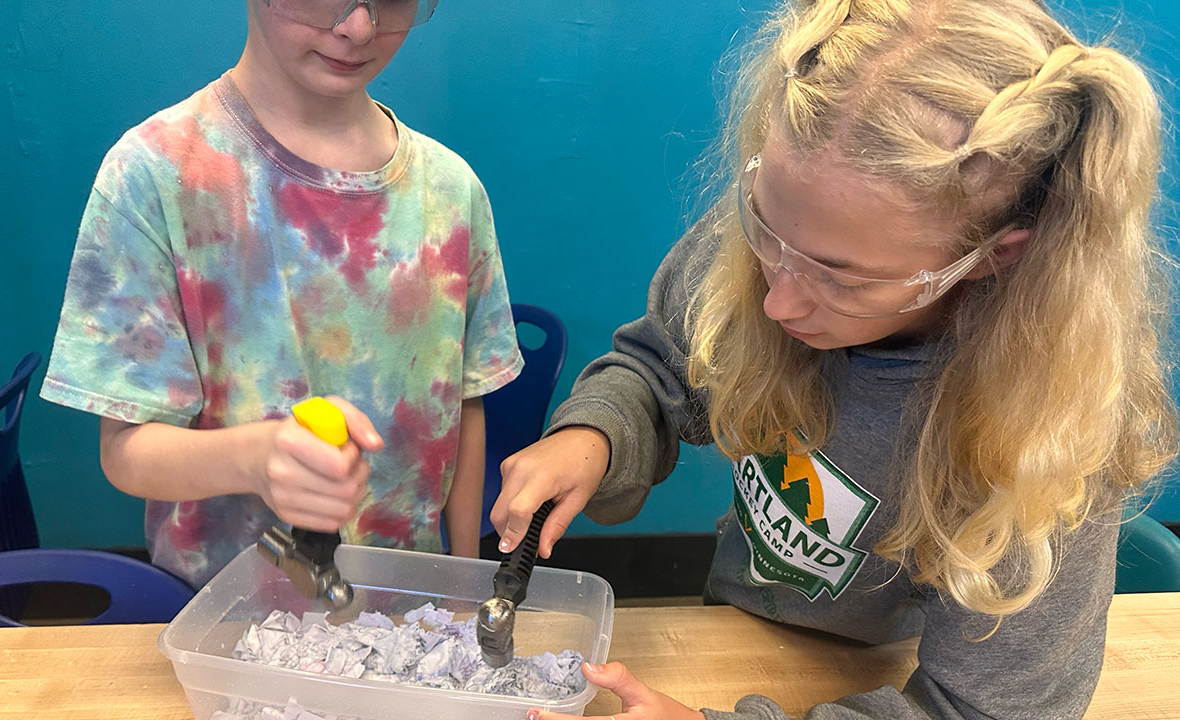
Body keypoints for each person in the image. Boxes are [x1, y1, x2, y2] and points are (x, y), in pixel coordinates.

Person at [495, 1, 1178, 718]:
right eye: (765, 226)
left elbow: (978, 710)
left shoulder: (1047, 438)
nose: (777, 303)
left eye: (841, 277)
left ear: (994, 256)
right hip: (737, 623)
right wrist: (596, 434)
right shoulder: (799, 232)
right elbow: (664, 366)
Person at [41, 0, 522, 589]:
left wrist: (460, 584)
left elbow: (462, 404)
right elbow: (125, 452)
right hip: (225, 612)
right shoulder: (156, 174)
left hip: (405, 610)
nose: (359, 26)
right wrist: (255, 457)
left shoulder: (451, 192)